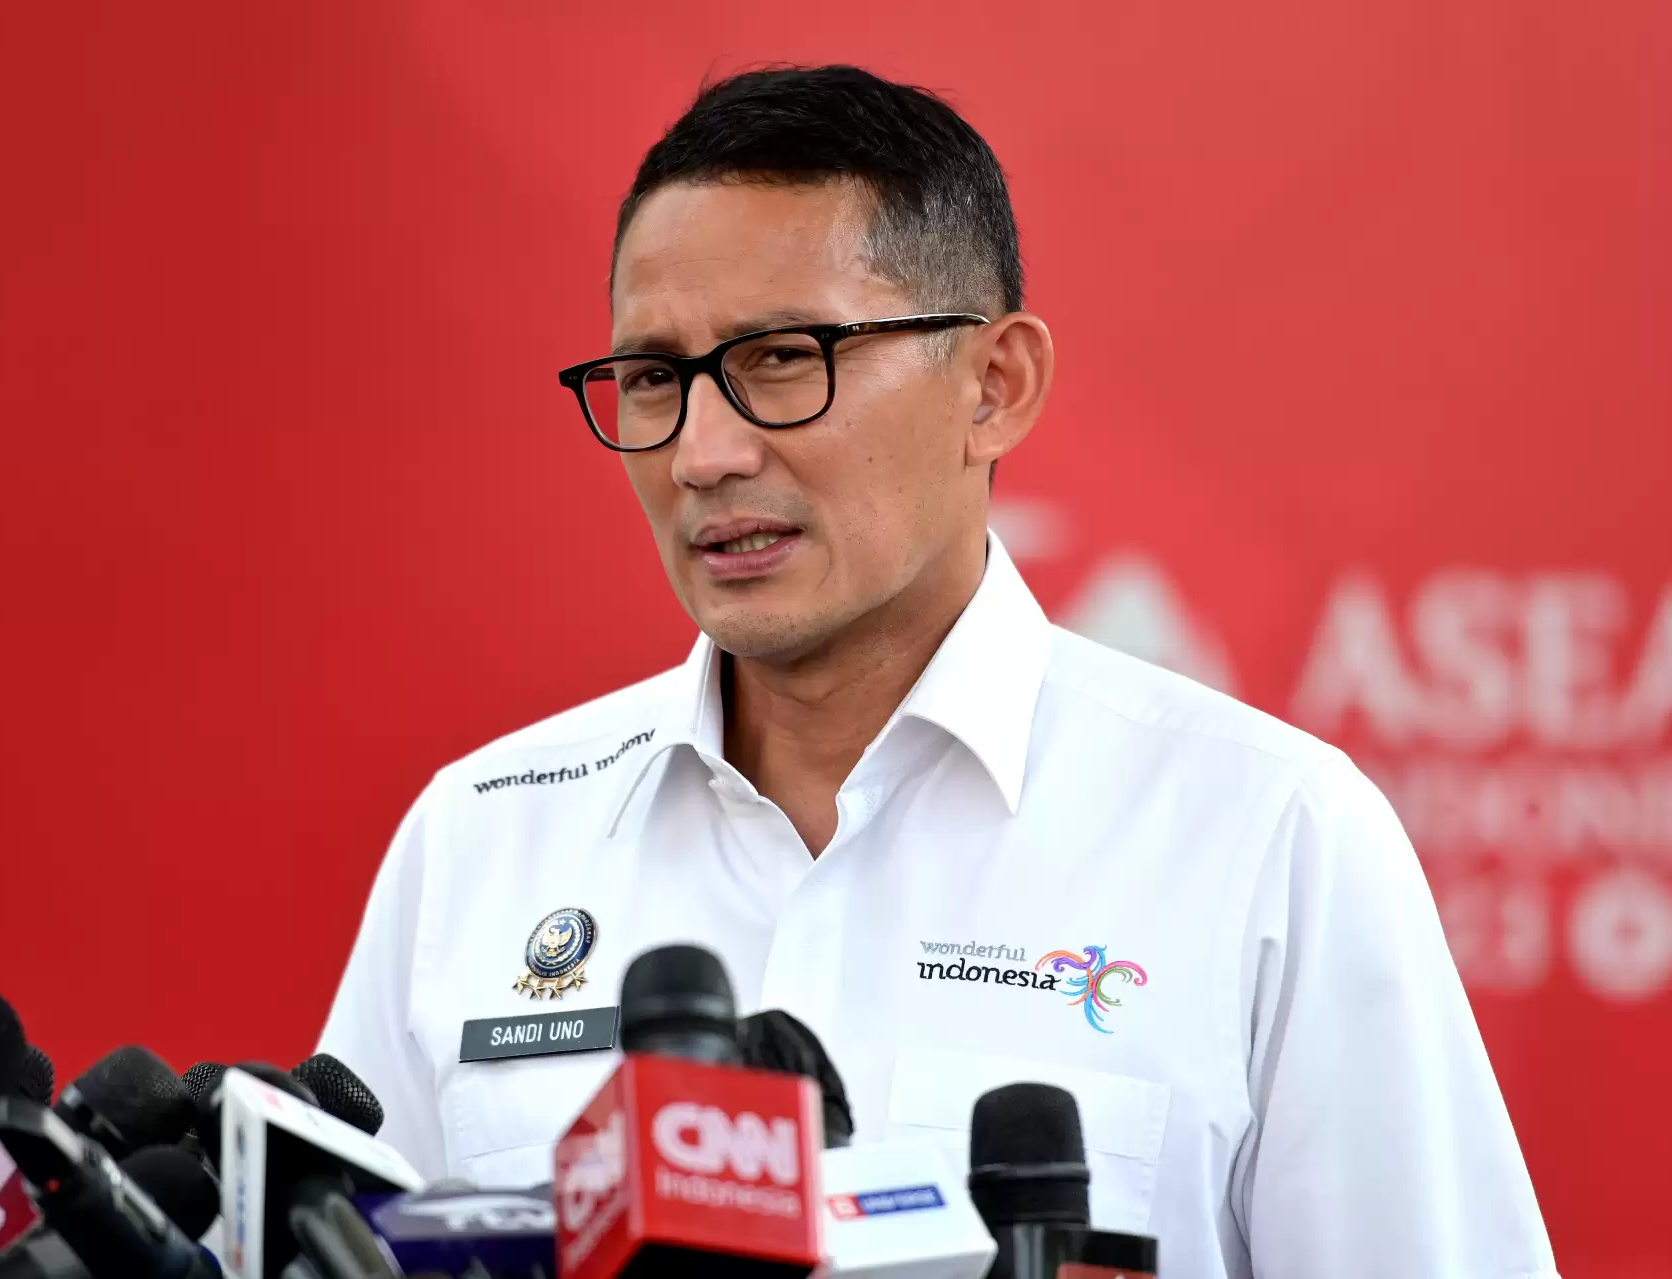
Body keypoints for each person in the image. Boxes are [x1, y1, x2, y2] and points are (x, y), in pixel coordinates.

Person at [320, 65, 1557, 1278]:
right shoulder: (479, 837)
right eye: (653, 379)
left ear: (994, 386)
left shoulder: (1268, 835)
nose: (701, 453)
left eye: (781, 358)